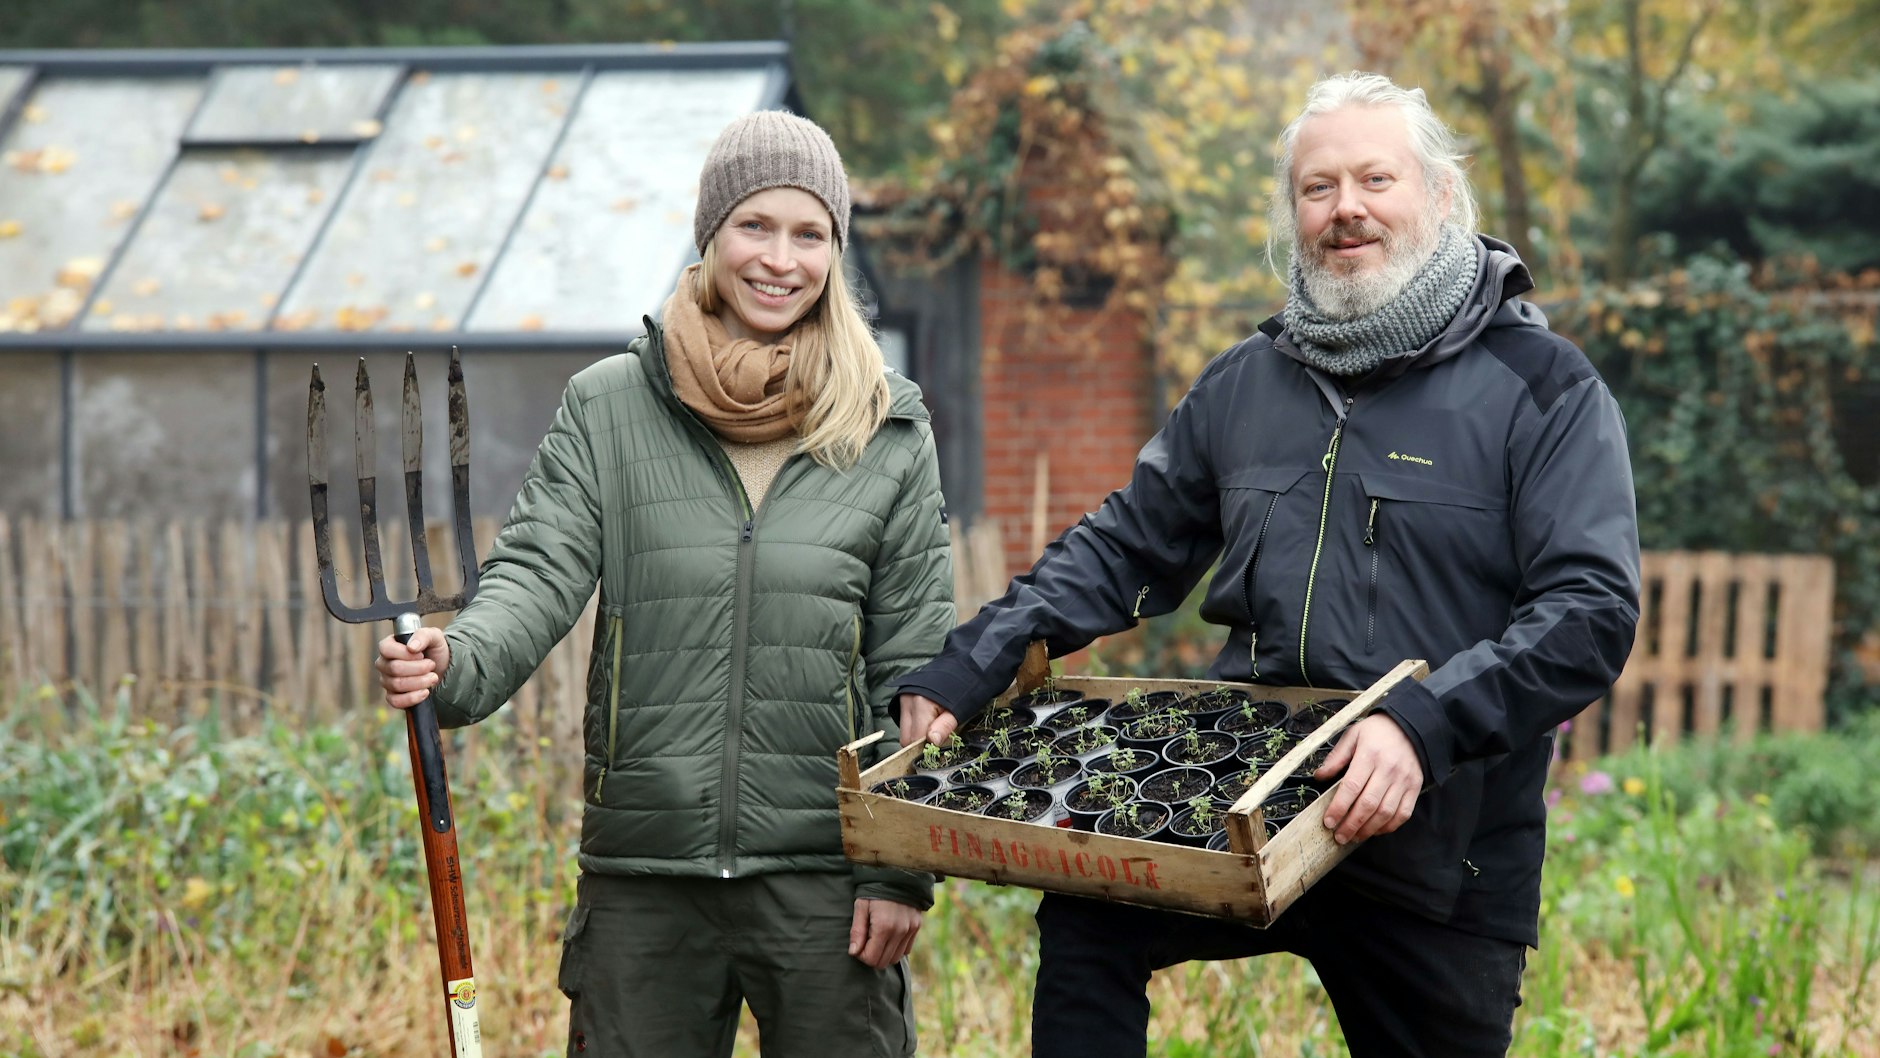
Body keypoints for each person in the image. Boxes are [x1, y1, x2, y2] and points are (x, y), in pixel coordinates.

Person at [897, 72, 1640, 1058]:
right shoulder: (1245, 383)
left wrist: (1421, 725)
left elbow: (1589, 609)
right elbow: (1126, 542)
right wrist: (974, 658)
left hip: (1434, 838)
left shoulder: (1541, 386)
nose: (1346, 210)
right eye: (1316, 187)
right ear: (1291, 213)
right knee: (1088, 924)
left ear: (1440, 195)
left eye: (1375, 178)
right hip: (1247, 792)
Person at [376, 110, 953, 1057]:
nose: (780, 259)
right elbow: (534, 572)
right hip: (644, 880)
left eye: (809, 233)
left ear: (835, 252)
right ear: (711, 234)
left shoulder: (886, 429)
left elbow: (917, 661)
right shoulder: (610, 406)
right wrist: (457, 662)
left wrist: (901, 873)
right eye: (754, 226)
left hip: (825, 881)